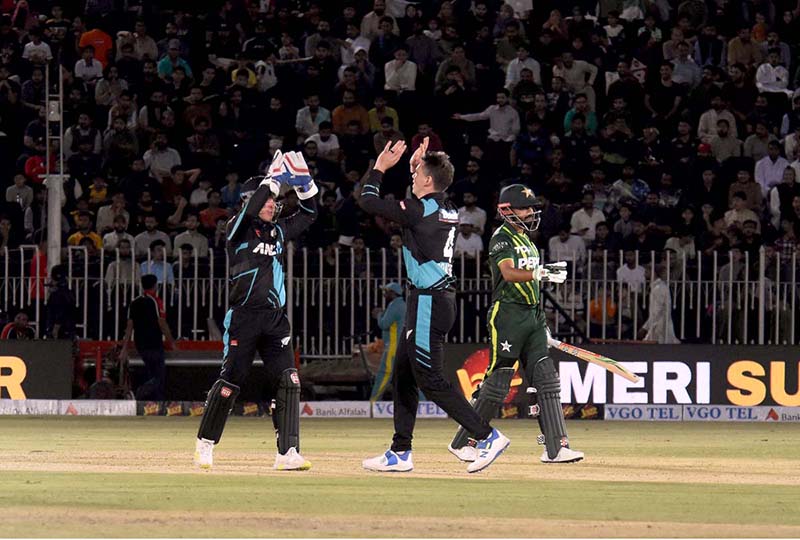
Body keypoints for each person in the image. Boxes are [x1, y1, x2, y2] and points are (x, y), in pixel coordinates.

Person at [359, 137, 509, 474]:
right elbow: (417, 208)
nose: (412, 179)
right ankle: (400, 451)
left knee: (430, 379)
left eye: (417, 174)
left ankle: (486, 436)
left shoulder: (420, 210)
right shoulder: (447, 209)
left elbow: (369, 202)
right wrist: (415, 166)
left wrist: (380, 168)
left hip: (428, 301)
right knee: (404, 376)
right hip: (431, 300)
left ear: (429, 180)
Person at [194, 151, 318, 471]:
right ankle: (205, 443)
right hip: (244, 316)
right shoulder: (236, 227)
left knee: (289, 380)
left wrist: (305, 185)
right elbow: (254, 205)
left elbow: (309, 214)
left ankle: (287, 452)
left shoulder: (277, 232)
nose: (270, 205)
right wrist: (273, 180)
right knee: (230, 382)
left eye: (272, 202)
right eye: (265, 201)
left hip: (275, 319)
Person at [448, 184, 583, 465]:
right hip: (508, 315)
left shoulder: (528, 239)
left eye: (533, 207)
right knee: (499, 380)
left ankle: (556, 448)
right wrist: (541, 272)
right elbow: (509, 274)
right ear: (507, 211)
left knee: (546, 379)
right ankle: (464, 442)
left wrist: (539, 321)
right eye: (525, 207)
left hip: (532, 315)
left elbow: (531, 281)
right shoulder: (502, 238)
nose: (532, 212)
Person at [120, 274, 174, 400]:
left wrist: (124, 347)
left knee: (151, 373)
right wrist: (171, 341)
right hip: (154, 343)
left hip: (140, 344)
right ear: (155, 286)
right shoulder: (156, 301)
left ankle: (149, 400)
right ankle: (144, 394)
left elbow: (129, 327)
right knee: (159, 376)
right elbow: (162, 323)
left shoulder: (134, 302)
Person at [370, 282, 405, 401]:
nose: (384, 294)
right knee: (409, 377)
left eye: (386, 291)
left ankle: (374, 402)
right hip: (404, 347)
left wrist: (378, 314)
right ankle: (423, 404)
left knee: (384, 374)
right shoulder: (403, 305)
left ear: (393, 293)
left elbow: (384, 324)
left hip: (393, 347)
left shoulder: (395, 306)